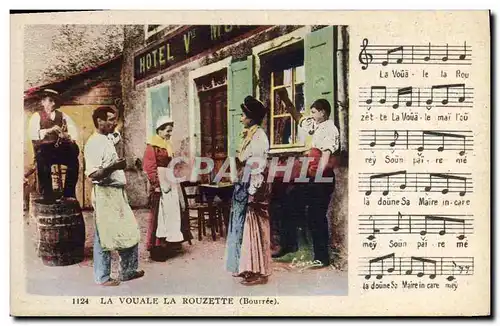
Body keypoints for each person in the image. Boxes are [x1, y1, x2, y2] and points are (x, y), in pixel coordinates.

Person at [275, 89, 340, 267]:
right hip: (311, 177)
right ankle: (289, 246)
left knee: (316, 216)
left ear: (322, 113)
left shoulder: (330, 129)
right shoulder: (316, 125)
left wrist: (317, 179)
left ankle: (322, 258)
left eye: (313, 112)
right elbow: (299, 119)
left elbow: (326, 155)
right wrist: (286, 100)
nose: (310, 115)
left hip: (321, 179)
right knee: (288, 202)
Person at [84, 106, 144, 286]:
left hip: (117, 193)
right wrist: (114, 167)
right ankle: (102, 277)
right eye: (110, 119)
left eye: (114, 119)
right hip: (104, 193)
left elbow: (116, 134)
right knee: (105, 235)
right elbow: (93, 175)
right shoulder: (93, 143)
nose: (113, 122)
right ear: (99, 121)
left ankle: (128, 271)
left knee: (129, 230)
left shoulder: (108, 138)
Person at [225, 95, 272, 286]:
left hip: (253, 184)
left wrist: (253, 191)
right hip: (243, 184)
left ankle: (258, 271)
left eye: (243, 115)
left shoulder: (259, 137)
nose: (240, 118)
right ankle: (245, 267)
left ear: (251, 118)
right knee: (241, 225)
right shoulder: (248, 135)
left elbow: (258, 166)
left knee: (253, 226)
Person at [142, 116, 189, 261]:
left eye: (171, 131)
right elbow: (149, 167)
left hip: (170, 180)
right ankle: (157, 248)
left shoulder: (166, 144)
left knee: (170, 214)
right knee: (159, 215)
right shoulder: (152, 146)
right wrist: (156, 185)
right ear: (160, 130)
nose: (169, 133)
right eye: (167, 131)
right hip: (161, 182)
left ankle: (168, 245)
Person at [28, 89, 80, 203]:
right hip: (44, 152)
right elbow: (34, 135)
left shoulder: (63, 116)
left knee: (74, 159)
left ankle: (68, 194)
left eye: (54, 101)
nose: (53, 104)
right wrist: (49, 130)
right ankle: (47, 195)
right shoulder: (36, 116)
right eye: (50, 101)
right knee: (42, 160)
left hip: (59, 150)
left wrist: (66, 135)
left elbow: (74, 133)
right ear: (42, 102)